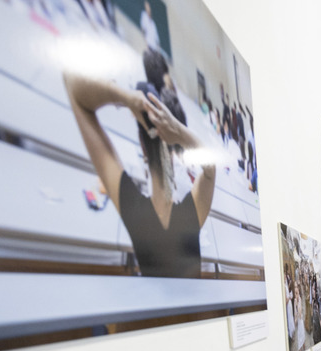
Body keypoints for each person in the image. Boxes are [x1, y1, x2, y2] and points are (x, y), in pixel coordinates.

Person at [64, 49, 216, 278]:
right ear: (174, 149)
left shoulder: (134, 212)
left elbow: (71, 84)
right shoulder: (190, 217)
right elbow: (210, 167)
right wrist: (181, 132)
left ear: (142, 148)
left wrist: (123, 97)